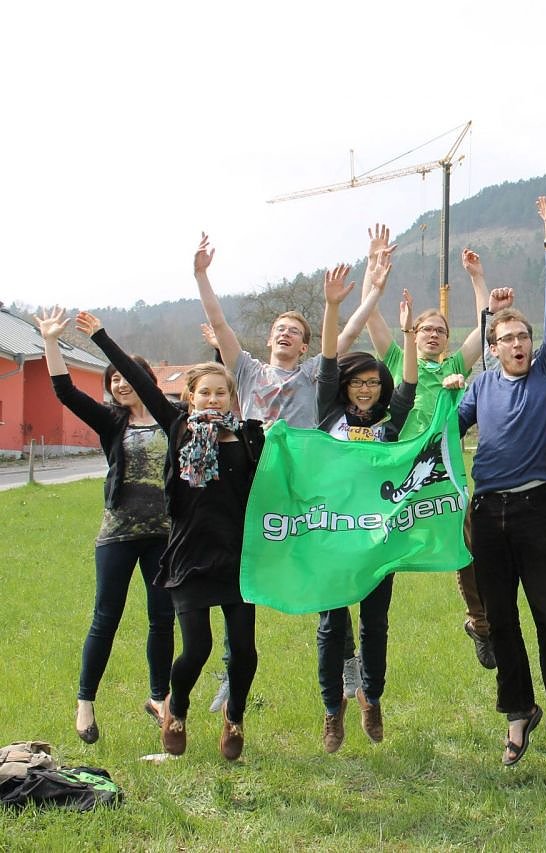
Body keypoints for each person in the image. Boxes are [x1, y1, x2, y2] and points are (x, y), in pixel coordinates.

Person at [195, 232, 369, 712]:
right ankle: (232, 673)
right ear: (270, 339)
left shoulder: (312, 374)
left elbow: (346, 336)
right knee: (241, 580)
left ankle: (348, 661)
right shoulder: (247, 372)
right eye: (279, 328)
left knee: (324, 572)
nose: (286, 333)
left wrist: (365, 291)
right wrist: (202, 275)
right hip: (253, 490)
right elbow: (218, 321)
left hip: (302, 490)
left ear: (305, 343)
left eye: (294, 330)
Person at [80, 311, 264, 762]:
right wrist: (101, 336)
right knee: (197, 648)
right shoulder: (178, 427)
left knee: (244, 650)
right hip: (188, 556)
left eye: (222, 392)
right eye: (206, 392)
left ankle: (235, 717)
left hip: (237, 557)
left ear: (232, 397)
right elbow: (139, 381)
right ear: (190, 396)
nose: (214, 399)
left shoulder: (250, 437)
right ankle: (176, 709)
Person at [456, 196, 546, 770]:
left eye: (523, 337)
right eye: (506, 338)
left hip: (535, 511)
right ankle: (518, 712)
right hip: (486, 515)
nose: (517, 344)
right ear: (493, 347)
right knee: (501, 620)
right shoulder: (481, 386)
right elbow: (442, 431)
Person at [361, 225, 509, 672]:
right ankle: (359, 638)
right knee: (375, 551)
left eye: (440, 330)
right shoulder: (395, 360)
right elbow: (370, 317)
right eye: (425, 328)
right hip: (397, 476)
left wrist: (478, 279)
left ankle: (480, 624)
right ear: (413, 332)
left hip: (445, 473)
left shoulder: (454, 366)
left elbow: (483, 330)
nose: (432, 334)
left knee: (468, 550)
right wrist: (373, 268)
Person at [35, 307, 175, 745]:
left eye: (126, 376)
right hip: (118, 534)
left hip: (164, 535)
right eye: (112, 379)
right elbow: (65, 391)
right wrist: (51, 341)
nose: (119, 383)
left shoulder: (172, 416)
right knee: (105, 618)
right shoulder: (111, 420)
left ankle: (160, 698)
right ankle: (85, 701)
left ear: (145, 379)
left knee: (162, 618)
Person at [313, 262, 418, 753]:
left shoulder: (389, 426)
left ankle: (371, 699)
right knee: (331, 626)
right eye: (358, 381)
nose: (366, 388)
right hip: (332, 536)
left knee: (375, 624)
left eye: (374, 382)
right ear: (346, 385)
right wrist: (333, 306)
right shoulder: (328, 415)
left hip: (379, 538)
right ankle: (332, 710)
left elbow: (410, 387)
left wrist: (408, 336)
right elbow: (326, 360)